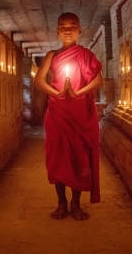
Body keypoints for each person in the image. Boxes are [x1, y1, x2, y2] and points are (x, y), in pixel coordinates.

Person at [34, 12, 104, 221]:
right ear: (57, 31)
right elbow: (39, 81)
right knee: (58, 158)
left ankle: (75, 204)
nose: (67, 30)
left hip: (79, 112)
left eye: (72, 26)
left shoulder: (86, 55)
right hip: (57, 112)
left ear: (79, 30)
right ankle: (61, 203)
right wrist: (56, 93)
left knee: (78, 158)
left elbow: (98, 81)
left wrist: (78, 93)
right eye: (63, 26)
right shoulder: (52, 55)